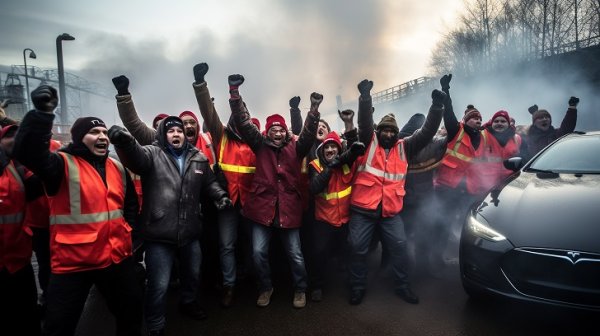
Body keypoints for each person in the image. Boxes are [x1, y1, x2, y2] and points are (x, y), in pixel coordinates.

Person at [14, 85, 143, 336]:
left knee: (131, 313)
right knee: (59, 326)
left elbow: (129, 206)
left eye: (105, 132)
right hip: (73, 264)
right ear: (78, 137)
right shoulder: (60, 165)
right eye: (94, 132)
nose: (103, 136)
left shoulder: (117, 167)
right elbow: (28, 152)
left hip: (115, 258)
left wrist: (129, 232)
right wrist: (42, 114)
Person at [108, 115, 231, 335]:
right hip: (158, 232)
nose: (176, 134)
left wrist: (219, 196)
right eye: (171, 131)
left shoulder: (198, 157)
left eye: (180, 131)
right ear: (164, 135)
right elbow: (134, 157)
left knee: (192, 274)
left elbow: (210, 183)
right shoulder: (152, 154)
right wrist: (124, 142)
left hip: (191, 230)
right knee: (159, 283)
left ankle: (188, 302)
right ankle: (155, 323)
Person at [347, 79, 445, 305]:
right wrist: (365, 97)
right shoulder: (368, 142)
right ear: (378, 131)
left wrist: (437, 107)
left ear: (397, 133)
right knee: (357, 249)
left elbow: (428, 131)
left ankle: (402, 287)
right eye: (385, 130)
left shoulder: (405, 147)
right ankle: (357, 287)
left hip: (390, 213)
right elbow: (364, 122)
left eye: (392, 131)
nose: (388, 134)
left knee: (400, 249)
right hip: (363, 211)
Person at [228, 74, 321, 309]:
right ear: (267, 132)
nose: (278, 133)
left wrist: (314, 110)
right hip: (261, 209)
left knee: (295, 254)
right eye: (273, 129)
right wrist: (235, 93)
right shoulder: (259, 145)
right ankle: (265, 287)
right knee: (258, 252)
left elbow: (309, 136)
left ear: (286, 132)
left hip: (289, 209)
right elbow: (244, 123)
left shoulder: (296, 147)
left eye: (281, 130)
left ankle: (300, 289)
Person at [191, 62, 258, 307]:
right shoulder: (222, 137)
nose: (240, 122)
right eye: (237, 118)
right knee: (226, 246)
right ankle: (229, 286)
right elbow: (208, 112)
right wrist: (200, 84)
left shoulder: (255, 141)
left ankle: (253, 279)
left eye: (244, 117)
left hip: (251, 204)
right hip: (227, 203)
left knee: (253, 245)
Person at [307, 131, 365, 301]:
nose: (330, 150)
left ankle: (353, 284)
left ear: (339, 150)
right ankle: (317, 285)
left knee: (350, 251)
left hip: (346, 219)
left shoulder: (346, 164)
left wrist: (345, 156)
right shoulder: (315, 165)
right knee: (319, 252)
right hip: (324, 219)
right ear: (322, 150)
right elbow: (314, 188)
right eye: (327, 147)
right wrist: (331, 167)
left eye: (334, 147)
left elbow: (356, 152)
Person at [0, 124, 44, 336]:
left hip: (18, 260)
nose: (16, 139)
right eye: (9, 135)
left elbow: (39, 186)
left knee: (27, 316)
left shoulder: (16, 167)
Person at [518, 98, 578, 162]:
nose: (544, 119)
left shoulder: (555, 135)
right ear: (534, 123)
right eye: (540, 118)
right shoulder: (527, 138)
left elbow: (567, 126)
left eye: (547, 117)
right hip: (532, 170)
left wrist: (572, 108)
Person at [479, 110, 521, 191]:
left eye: (503, 121)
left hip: (508, 185)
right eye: (496, 121)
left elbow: (524, 158)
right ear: (491, 123)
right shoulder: (482, 135)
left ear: (508, 124)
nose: (499, 123)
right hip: (485, 186)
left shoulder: (517, 139)